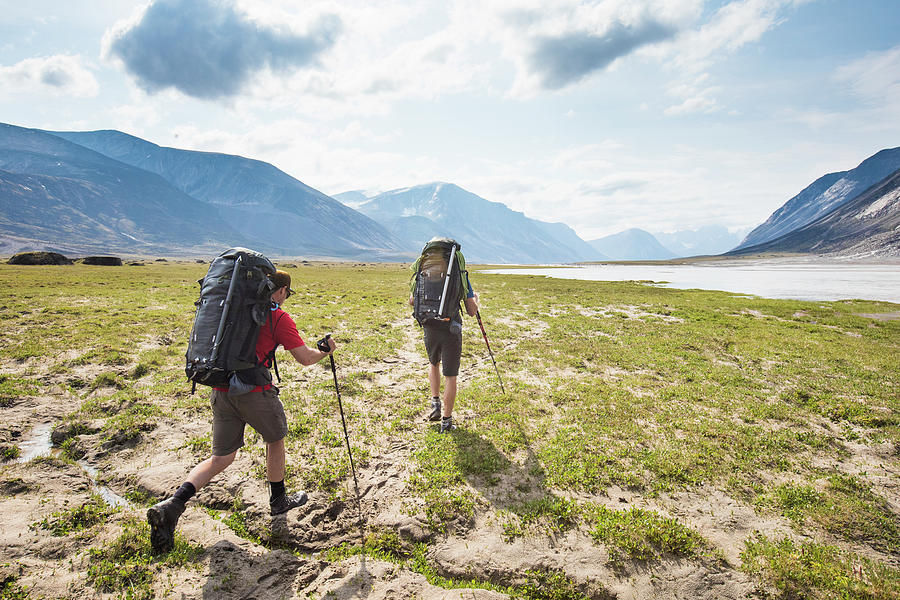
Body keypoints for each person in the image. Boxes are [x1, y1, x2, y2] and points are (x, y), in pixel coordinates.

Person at [148, 269, 337, 553]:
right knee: (275, 439)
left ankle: (173, 505)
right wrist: (325, 350)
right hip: (254, 393)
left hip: (221, 390)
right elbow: (305, 359)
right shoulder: (278, 317)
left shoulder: (231, 310)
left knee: (220, 458)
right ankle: (278, 501)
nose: (285, 298)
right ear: (281, 291)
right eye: (286, 293)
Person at [409, 239, 478, 433]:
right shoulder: (458, 274)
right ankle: (446, 422)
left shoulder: (422, 271)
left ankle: (435, 404)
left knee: (433, 363)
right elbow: (472, 310)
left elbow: (412, 300)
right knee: (451, 375)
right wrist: (476, 298)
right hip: (451, 328)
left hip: (429, 326)